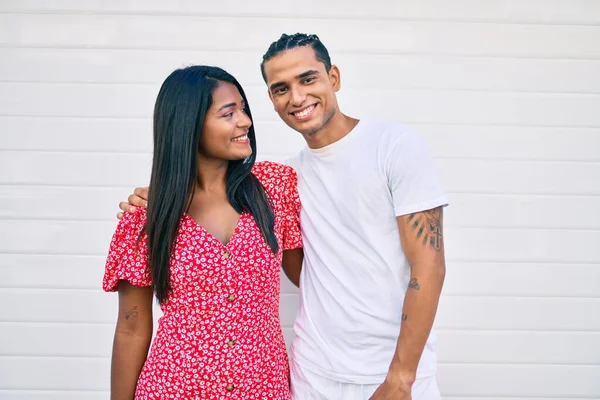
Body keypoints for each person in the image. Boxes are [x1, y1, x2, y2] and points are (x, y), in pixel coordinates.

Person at [120, 33, 448, 400]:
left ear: (333, 78)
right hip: (312, 373)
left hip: (388, 369)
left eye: (308, 79)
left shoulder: (390, 148)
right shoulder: (284, 181)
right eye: (280, 88)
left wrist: (402, 377)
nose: (297, 97)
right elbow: (306, 269)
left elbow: (429, 266)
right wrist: (163, 200)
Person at [104, 65, 303, 399]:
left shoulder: (273, 189)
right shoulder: (146, 218)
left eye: (243, 109)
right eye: (229, 113)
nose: (245, 122)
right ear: (190, 127)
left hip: (263, 390)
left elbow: (310, 278)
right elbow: (131, 327)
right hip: (174, 388)